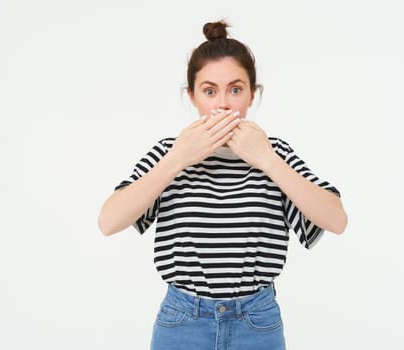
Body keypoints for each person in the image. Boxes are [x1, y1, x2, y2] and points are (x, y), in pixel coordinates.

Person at [98, 20, 347, 350]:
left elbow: (337, 220)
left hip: (256, 323)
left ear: (252, 94)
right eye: (209, 90)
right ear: (192, 96)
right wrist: (177, 160)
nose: (224, 104)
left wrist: (267, 160)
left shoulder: (276, 154)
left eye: (236, 89)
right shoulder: (168, 153)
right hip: (183, 321)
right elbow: (108, 221)